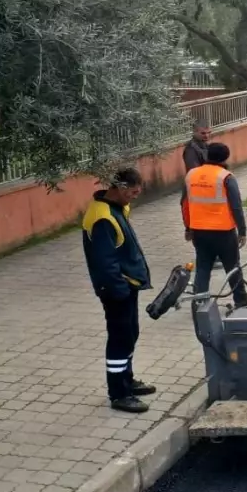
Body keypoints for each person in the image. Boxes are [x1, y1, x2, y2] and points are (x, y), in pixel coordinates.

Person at [81, 168, 156, 413]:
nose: (135, 196)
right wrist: (119, 289)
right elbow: (105, 261)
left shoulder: (115, 208)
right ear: (121, 188)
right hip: (116, 289)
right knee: (120, 338)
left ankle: (128, 379)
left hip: (126, 286)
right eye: (133, 192)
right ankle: (119, 394)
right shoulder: (102, 217)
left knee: (130, 333)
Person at [181, 142, 247, 308]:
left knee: (203, 267)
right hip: (223, 232)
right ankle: (241, 300)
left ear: (207, 155)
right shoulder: (226, 177)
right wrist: (242, 230)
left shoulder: (191, 175)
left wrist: (188, 227)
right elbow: (236, 206)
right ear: (225, 157)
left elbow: (184, 203)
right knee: (232, 267)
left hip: (199, 231)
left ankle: (199, 303)